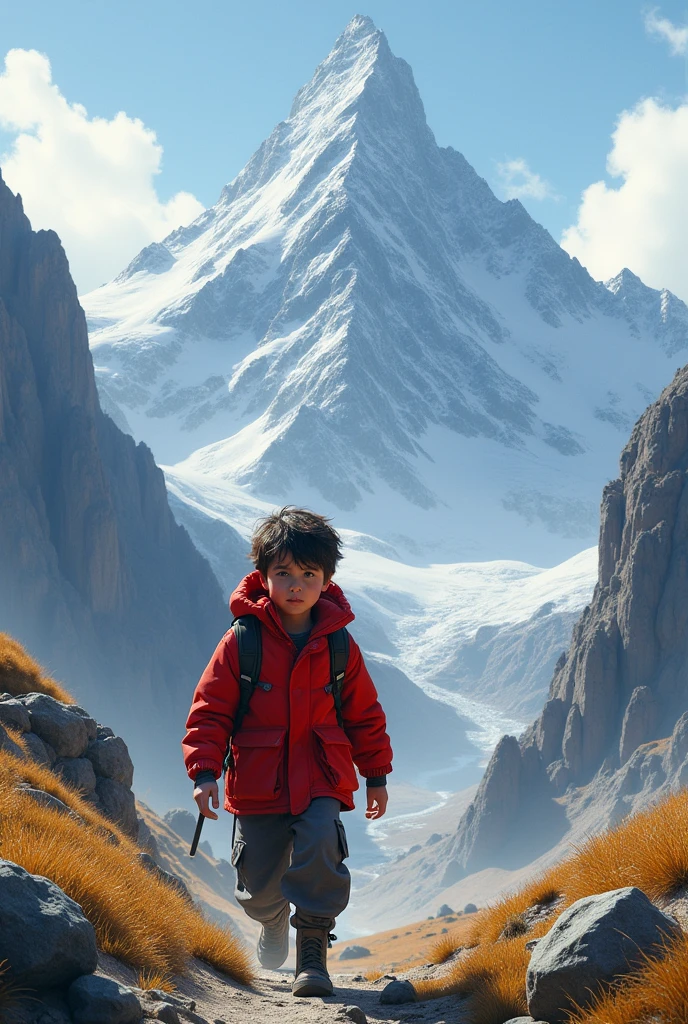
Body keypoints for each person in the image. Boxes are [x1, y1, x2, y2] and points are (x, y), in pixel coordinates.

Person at [182, 507, 393, 997]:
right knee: (257, 885)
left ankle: (313, 955)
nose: (295, 584)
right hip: (259, 781)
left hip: (322, 776)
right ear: (263, 576)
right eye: (283, 573)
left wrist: (376, 775)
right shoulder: (242, 641)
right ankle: (271, 920)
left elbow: (364, 714)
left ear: (326, 580)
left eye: (308, 574)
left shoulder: (340, 644)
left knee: (322, 844)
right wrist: (204, 771)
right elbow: (210, 710)